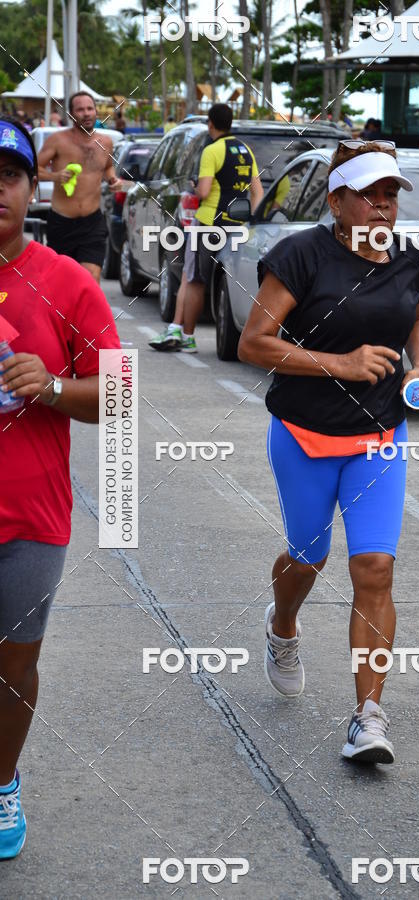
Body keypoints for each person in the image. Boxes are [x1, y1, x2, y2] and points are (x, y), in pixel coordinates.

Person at [238, 139, 419, 764]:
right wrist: (340, 364)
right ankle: (283, 625)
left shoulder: (407, 262)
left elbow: (416, 318)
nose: (384, 208)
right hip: (303, 433)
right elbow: (253, 343)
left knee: (374, 568)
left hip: (379, 435)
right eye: (371, 196)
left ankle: (368, 716)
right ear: (337, 201)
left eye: (392, 196)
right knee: (308, 555)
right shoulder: (302, 256)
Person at [0, 118, 120, 858]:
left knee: (13, 663)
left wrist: (51, 387)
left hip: (31, 517)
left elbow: (120, 393)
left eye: (7, 177)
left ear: (30, 185)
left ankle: (2, 782)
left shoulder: (67, 281)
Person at [150, 103, 263, 352]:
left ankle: (187, 336)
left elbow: (203, 191)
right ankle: (186, 330)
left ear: (210, 124)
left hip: (208, 223)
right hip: (236, 225)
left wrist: (194, 185)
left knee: (195, 280)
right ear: (230, 122)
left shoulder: (211, 151)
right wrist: (251, 223)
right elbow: (258, 193)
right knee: (228, 280)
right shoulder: (246, 150)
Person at [37, 91, 123, 283]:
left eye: (90, 108)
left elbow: (108, 167)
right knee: (61, 282)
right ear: (71, 115)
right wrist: (55, 176)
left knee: (90, 279)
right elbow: (32, 168)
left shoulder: (105, 142)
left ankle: (85, 314)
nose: (86, 113)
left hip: (92, 223)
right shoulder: (58, 140)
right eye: (80, 109)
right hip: (61, 223)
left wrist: (113, 181)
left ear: (96, 111)